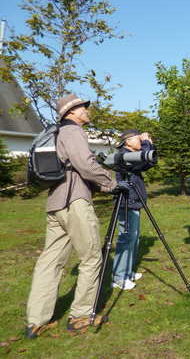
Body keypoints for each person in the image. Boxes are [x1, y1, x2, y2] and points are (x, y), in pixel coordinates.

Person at [26, 94, 121, 339]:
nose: (87, 111)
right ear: (70, 113)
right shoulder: (74, 132)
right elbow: (85, 164)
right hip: (74, 202)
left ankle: (36, 321)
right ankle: (80, 315)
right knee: (91, 257)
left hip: (55, 202)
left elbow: (73, 171)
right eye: (82, 108)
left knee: (50, 262)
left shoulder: (57, 133)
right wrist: (112, 182)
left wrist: (103, 186)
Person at [110, 129, 156, 290]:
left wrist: (148, 143)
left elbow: (149, 162)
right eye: (138, 139)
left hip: (134, 201)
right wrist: (147, 143)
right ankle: (119, 278)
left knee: (133, 239)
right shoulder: (125, 156)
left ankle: (127, 272)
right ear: (128, 141)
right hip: (127, 201)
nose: (141, 141)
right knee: (126, 238)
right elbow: (144, 158)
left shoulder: (132, 156)